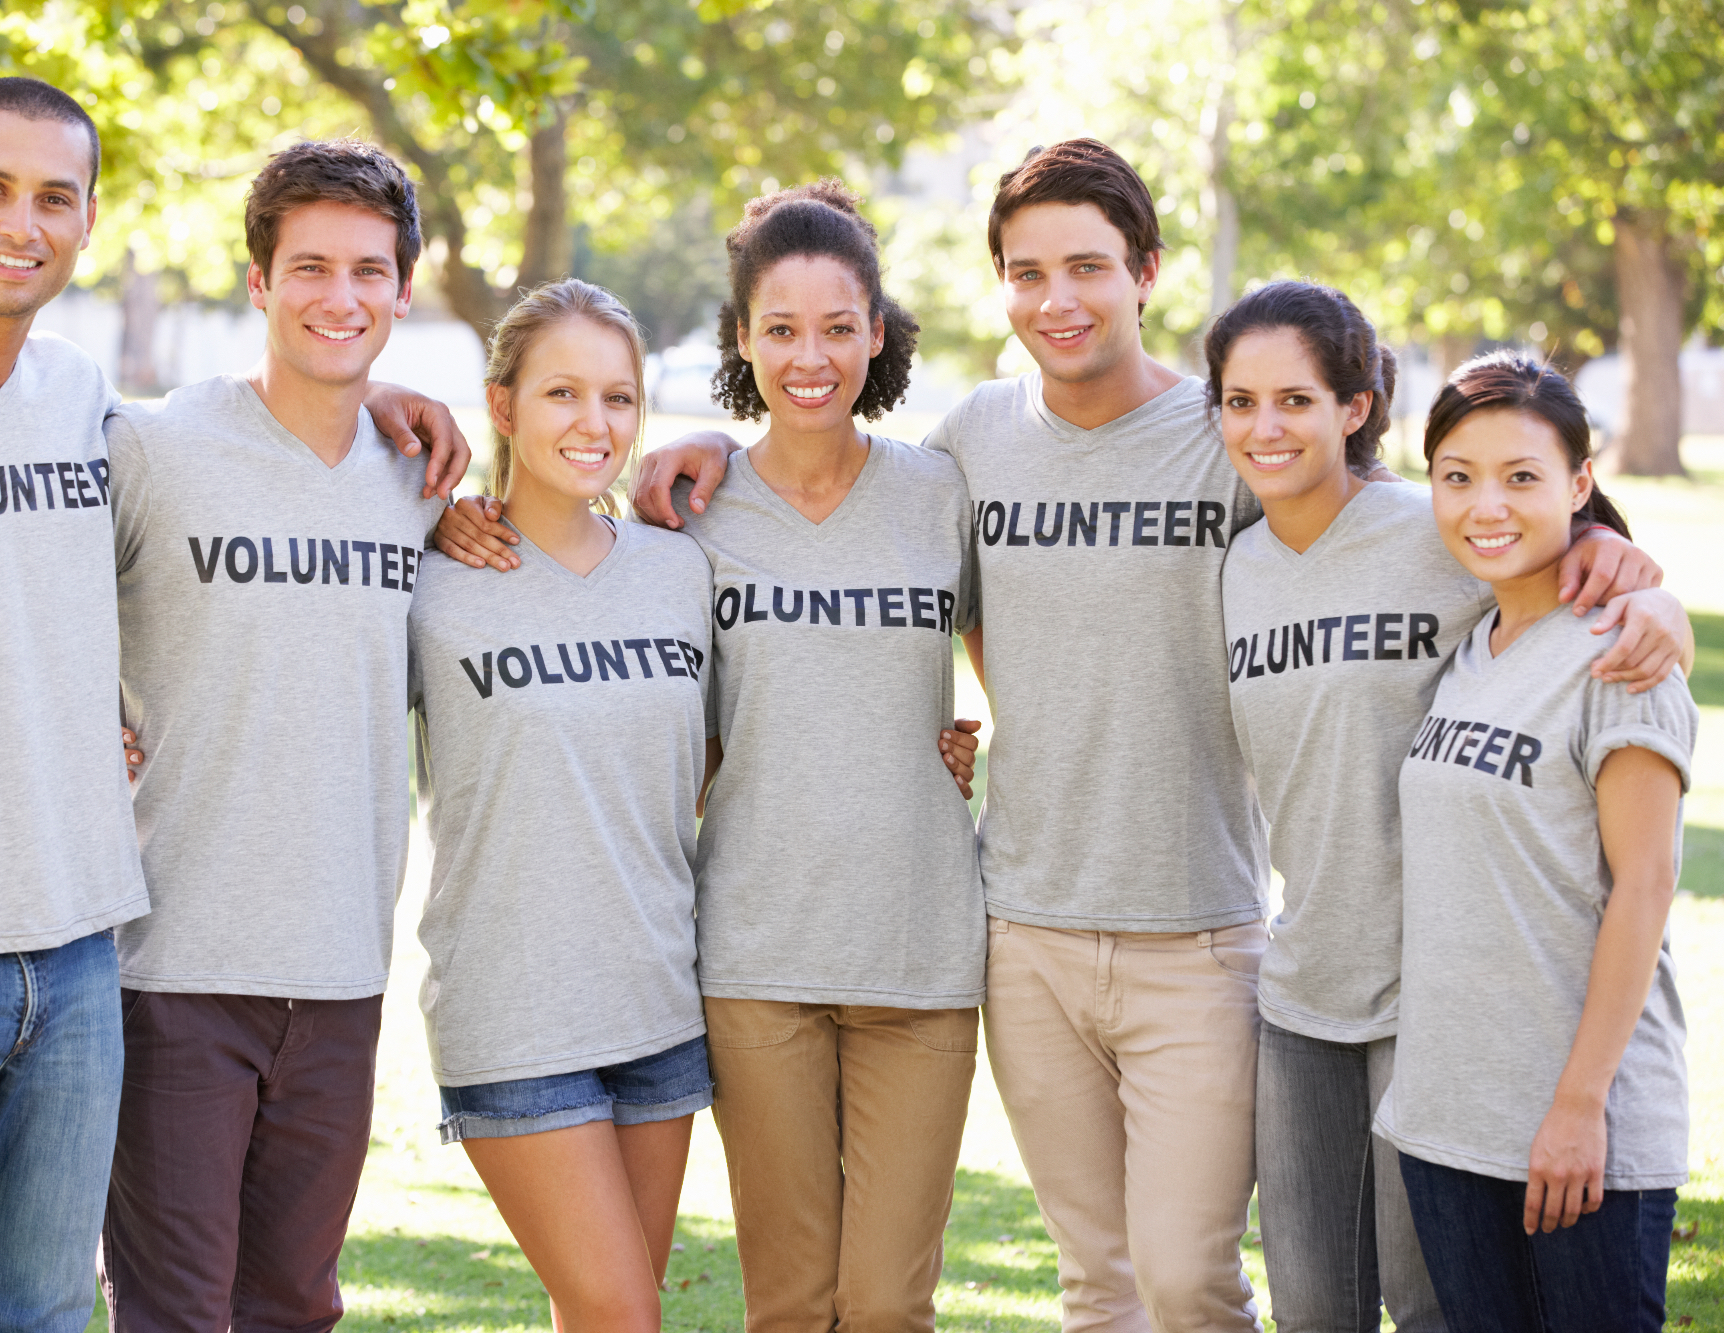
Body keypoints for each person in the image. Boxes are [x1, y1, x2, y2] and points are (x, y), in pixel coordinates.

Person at [595, 140, 1670, 1331]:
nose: (1056, 299)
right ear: (996, 283)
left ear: (1145, 271)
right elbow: (905, 578)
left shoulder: (1227, 439)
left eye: (1087, 267)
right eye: (1026, 270)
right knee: (1095, 1289)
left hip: (1200, 930)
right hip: (1023, 931)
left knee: (1185, 1281)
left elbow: (1467, 529)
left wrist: (1618, 566)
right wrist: (687, 450)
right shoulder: (968, 447)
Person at [0, 80, 468, 1331]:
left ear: (84, 221)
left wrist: (386, 400)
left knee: (50, 1315)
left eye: (54, 198)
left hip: (76, 951)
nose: (23, 222)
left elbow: (120, 560)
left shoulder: (81, 399)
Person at [436, 180, 988, 1332]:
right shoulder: (689, 515)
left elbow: (1018, 666)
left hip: (919, 952)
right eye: (778, 328)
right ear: (739, 338)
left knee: (888, 1305)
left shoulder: (941, 494)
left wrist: (968, 744)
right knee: (786, 1303)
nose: (809, 355)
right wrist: (447, 513)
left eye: (838, 326)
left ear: (876, 333)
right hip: (750, 958)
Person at [1208, 282, 1689, 1333]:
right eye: (1238, 401)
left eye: (1295, 397)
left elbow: (1642, 863)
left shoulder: (1455, 552)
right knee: (1314, 1308)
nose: (1264, 425)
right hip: (1311, 994)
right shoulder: (1239, 564)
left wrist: (1652, 601)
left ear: (1355, 406)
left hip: (1437, 1012)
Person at [95, 138, 445, 1331]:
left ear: (403, 288)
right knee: (175, 1309)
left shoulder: (423, 483)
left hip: (344, 966)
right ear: (259, 282)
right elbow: (7, 587)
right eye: (308, 268)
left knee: (296, 1302)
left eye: (366, 271)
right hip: (174, 962)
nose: (337, 298)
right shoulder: (152, 448)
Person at [407, 278, 714, 1332]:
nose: (595, 425)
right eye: (562, 395)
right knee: (618, 1312)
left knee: (605, 1317)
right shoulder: (430, 579)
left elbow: (717, 759)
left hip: (659, 1002)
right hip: (514, 1008)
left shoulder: (682, 573)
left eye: (618, 399)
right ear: (501, 407)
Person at [1376, 354, 1697, 1331]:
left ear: (1577, 485)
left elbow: (1642, 887)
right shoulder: (1468, 646)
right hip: (1443, 1119)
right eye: (1456, 475)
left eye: (1520, 476)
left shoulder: (1619, 655)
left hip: (1579, 1128)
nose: (1486, 505)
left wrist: (1575, 1106)